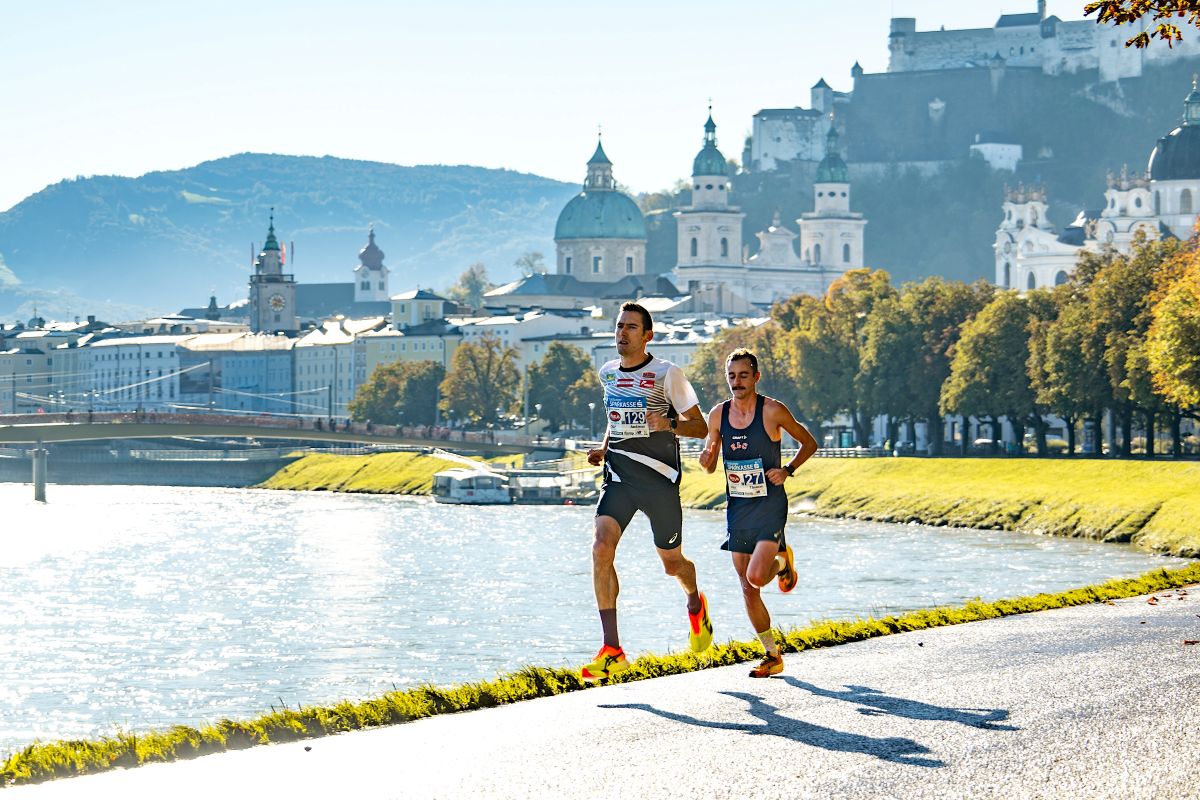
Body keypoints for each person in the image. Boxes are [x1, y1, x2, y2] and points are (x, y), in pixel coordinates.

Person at [580, 301, 711, 681]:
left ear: (647, 335)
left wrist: (668, 422)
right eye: (619, 326)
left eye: (631, 327)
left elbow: (699, 428)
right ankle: (613, 649)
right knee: (601, 546)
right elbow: (615, 416)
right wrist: (605, 447)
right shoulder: (607, 373)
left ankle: (694, 601)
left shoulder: (667, 374)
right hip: (619, 477)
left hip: (659, 482)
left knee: (673, 564)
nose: (622, 333)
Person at [698, 348, 818, 678]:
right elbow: (710, 460)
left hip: (770, 506)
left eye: (743, 376)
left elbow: (809, 442)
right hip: (738, 507)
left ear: (756, 377)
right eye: (731, 376)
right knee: (748, 587)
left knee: (754, 575)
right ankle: (772, 655)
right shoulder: (717, 415)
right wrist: (707, 460)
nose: (737, 382)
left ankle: (782, 560)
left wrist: (788, 470)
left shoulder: (773, 411)